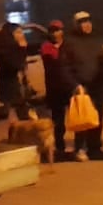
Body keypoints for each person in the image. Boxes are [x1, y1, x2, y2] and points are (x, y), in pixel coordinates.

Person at [61, 10, 103, 161]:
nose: (87, 25)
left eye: (89, 22)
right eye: (83, 22)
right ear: (77, 25)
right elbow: (64, 67)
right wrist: (75, 84)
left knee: (97, 119)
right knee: (83, 119)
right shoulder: (69, 43)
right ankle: (80, 148)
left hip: (97, 85)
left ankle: (95, 148)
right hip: (81, 87)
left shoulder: (95, 41)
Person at [39, 20, 73, 158]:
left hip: (70, 87)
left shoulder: (68, 45)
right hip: (55, 88)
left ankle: (80, 146)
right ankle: (60, 148)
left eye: (58, 30)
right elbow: (55, 64)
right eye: (52, 30)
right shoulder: (46, 47)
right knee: (58, 121)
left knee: (77, 118)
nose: (55, 33)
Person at [0, 24, 32, 121]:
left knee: (18, 118)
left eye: (22, 32)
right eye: (18, 32)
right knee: (21, 119)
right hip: (11, 92)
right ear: (10, 34)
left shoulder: (12, 48)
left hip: (15, 92)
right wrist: (22, 48)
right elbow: (17, 65)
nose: (22, 35)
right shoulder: (6, 51)